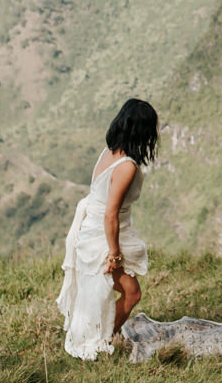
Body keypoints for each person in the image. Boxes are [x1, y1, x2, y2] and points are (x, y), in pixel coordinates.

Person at [57, 97, 157, 359]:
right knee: (132, 293)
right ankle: (100, 341)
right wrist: (113, 254)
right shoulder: (126, 167)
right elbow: (110, 214)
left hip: (92, 229)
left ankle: (98, 334)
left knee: (105, 292)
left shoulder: (109, 152)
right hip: (103, 236)